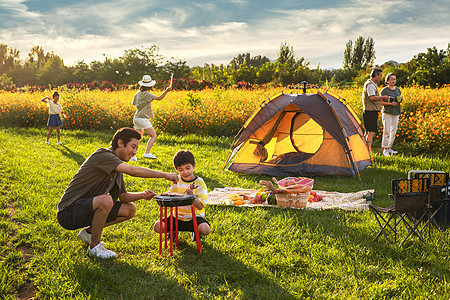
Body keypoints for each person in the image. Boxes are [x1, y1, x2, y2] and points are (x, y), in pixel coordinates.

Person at [56, 127, 178, 259]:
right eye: (133, 146)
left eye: (136, 149)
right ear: (120, 143)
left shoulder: (117, 170)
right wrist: (165, 175)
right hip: (68, 212)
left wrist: (143, 194)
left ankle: (89, 233)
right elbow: (133, 171)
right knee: (106, 200)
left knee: (130, 209)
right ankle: (94, 247)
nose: (135, 152)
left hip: (86, 209)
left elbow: (123, 196)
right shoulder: (103, 155)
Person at [153, 150, 210, 243]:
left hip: (194, 217)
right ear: (176, 169)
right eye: (181, 170)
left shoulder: (200, 183)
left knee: (205, 229)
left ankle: (195, 232)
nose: (185, 172)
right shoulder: (176, 180)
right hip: (177, 217)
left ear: (194, 165)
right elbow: (171, 197)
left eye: (188, 168)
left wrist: (192, 196)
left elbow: (200, 206)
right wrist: (162, 195)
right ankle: (174, 231)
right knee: (157, 226)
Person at [131, 74, 172, 160]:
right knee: (153, 135)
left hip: (136, 118)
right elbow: (159, 98)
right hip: (142, 119)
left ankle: (132, 156)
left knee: (138, 138)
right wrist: (166, 91)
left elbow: (134, 103)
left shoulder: (138, 93)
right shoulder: (147, 94)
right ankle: (147, 153)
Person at [361, 68, 391, 151]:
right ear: (376, 75)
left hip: (369, 111)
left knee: (368, 132)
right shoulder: (370, 85)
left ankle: (363, 150)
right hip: (370, 111)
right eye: (380, 76)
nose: (381, 78)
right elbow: (372, 97)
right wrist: (383, 97)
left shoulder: (371, 84)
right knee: (371, 132)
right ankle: (368, 151)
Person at [380, 73, 401, 156]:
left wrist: (400, 99)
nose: (393, 81)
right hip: (387, 113)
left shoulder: (398, 90)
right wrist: (391, 104)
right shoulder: (384, 90)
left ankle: (389, 148)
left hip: (396, 112)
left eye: (394, 79)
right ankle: (385, 149)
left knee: (393, 132)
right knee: (387, 131)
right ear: (387, 81)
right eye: (391, 79)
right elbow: (381, 102)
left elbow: (398, 100)